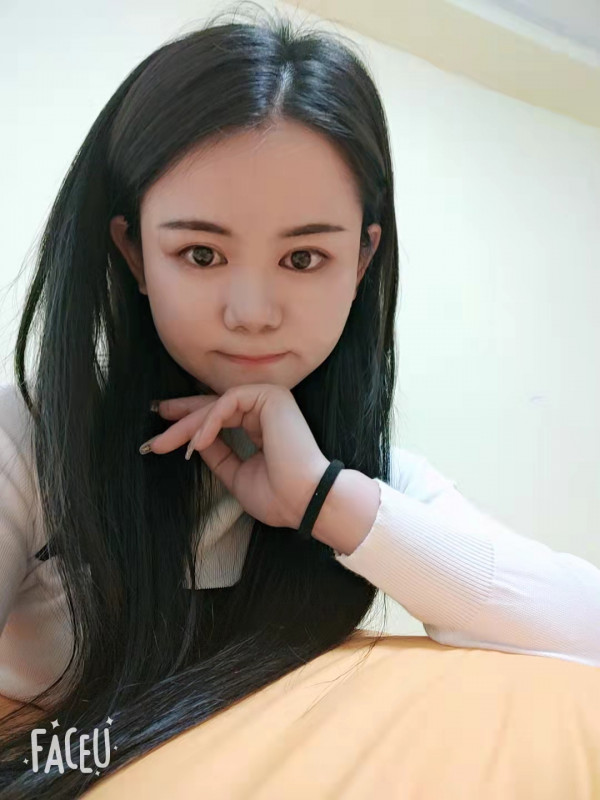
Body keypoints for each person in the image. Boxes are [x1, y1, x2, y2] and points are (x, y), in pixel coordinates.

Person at [1, 3, 599, 796]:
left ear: (361, 262)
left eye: (305, 257)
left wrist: (324, 499)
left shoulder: (364, 474)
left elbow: (587, 627)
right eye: (202, 253)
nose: (252, 312)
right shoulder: (28, 438)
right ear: (135, 253)